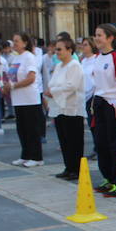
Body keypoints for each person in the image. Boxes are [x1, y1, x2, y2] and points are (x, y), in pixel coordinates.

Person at [92, 24, 116, 197]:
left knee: (115, 145)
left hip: (113, 104)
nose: (96, 38)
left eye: (100, 35)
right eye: (96, 35)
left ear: (110, 38)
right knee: (101, 144)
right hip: (100, 103)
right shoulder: (98, 57)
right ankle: (108, 178)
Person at [46, 37, 85, 180]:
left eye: (60, 49)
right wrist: (51, 90)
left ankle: (76, 169)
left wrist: (53, 91)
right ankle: (68, 167)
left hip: (72, 108)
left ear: (70, 50)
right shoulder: (59, 66)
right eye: (56, 49)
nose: (57, 52)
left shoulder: (74, 65)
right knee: (64, 140)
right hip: (59, 107)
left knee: (74, 140)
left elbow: (71, 86)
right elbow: (52, 83)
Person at [4, 33, 44, 166]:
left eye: (17, 41)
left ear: (25, 43)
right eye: (13, 41)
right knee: (22, 129)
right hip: (18, 99)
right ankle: (25, 154)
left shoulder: (29, 57)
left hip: (29, 99)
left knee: (32, 129)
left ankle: (37, 157)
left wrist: (14, 85)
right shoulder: (16, 58)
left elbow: (31, 78)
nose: (14, 44)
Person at [79, 37, 99, 160]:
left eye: (86, 44)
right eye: (82, 45)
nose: (83, 47)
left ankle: (99, 148)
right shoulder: (83, 61)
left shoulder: (96, 59)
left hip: (94, 95)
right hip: (85, 95)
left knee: (96, 124)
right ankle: (96, 147)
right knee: (91, 125)